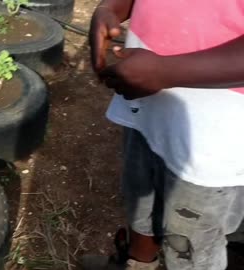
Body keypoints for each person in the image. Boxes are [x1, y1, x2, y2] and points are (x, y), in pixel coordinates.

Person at [82, 0, 244, 269]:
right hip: (148, 107)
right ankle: (138, 261)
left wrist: (165, 72)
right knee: (141, 199)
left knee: (190, 241)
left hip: (215, 135)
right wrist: (109, 9)